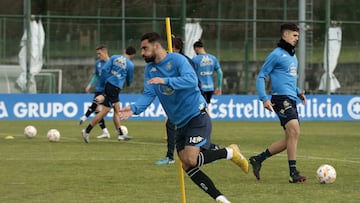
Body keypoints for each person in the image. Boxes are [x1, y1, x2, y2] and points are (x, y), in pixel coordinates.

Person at [119, 32, 248, 203]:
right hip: (179, 123)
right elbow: (148, 94)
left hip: (196, 115)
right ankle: (221, 198)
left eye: (145, 48)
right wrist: (134, 109)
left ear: (156, 46)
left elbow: (191, 81)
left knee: (190, 159)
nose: (142, 53)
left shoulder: (178, 60)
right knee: (187, 165)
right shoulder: (150, 70)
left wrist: (165, 81)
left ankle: (230, 152)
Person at [249, 23, 307, 183]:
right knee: (294, 131)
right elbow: (261, 76)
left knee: (290, 137)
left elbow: (287, 80)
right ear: (285, 35)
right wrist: (264, 98)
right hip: (280, 99)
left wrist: (298, 91)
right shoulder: (276, 54)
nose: (297, 38)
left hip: (291, 98)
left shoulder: (293, 57)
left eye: (298, 36)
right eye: (294, 35)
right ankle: (293, 173)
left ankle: (258, 159)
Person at [155, 36, 219, 166]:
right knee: (181, 132)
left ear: (176, 49)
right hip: (177, 103)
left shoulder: (185, 61)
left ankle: (170, 156)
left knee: (178, 128)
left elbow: (194, 81)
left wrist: (201, 101)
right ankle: (212, 148)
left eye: (169, 47)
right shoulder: (167, 63)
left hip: (191, 102)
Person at [81, 46, 136, 143]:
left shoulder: (114, 57)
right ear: (133, 55)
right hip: (115, 87)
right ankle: (87, 131)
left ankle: (120, 134)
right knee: (108, 111)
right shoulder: (130, 64)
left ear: (124, 51)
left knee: (113, 110)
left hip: (109, 85)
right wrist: (126, 83)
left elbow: (105, 68)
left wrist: (110, 77)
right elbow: (129, 79)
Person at [79, 45, 111, 139]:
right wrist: (90, 85)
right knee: (98, 112)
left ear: (105, 52)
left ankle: (84, 117)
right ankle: (105, 132)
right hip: (98, 89)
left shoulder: (111, 63)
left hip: (107, 90)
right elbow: (96, 75)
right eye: (97, 54)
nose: (98, 55)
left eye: (99, 53)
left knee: (96, 103)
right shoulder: (98, 63)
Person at [192, 40, 223, 104]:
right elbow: (220, 73)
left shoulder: (195, 60)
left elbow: (192, 74)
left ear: (196, 49)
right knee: (206, 106)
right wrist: (219, 87)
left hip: (200, 88)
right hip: (210, 88)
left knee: (201, 107)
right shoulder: (213, 58)